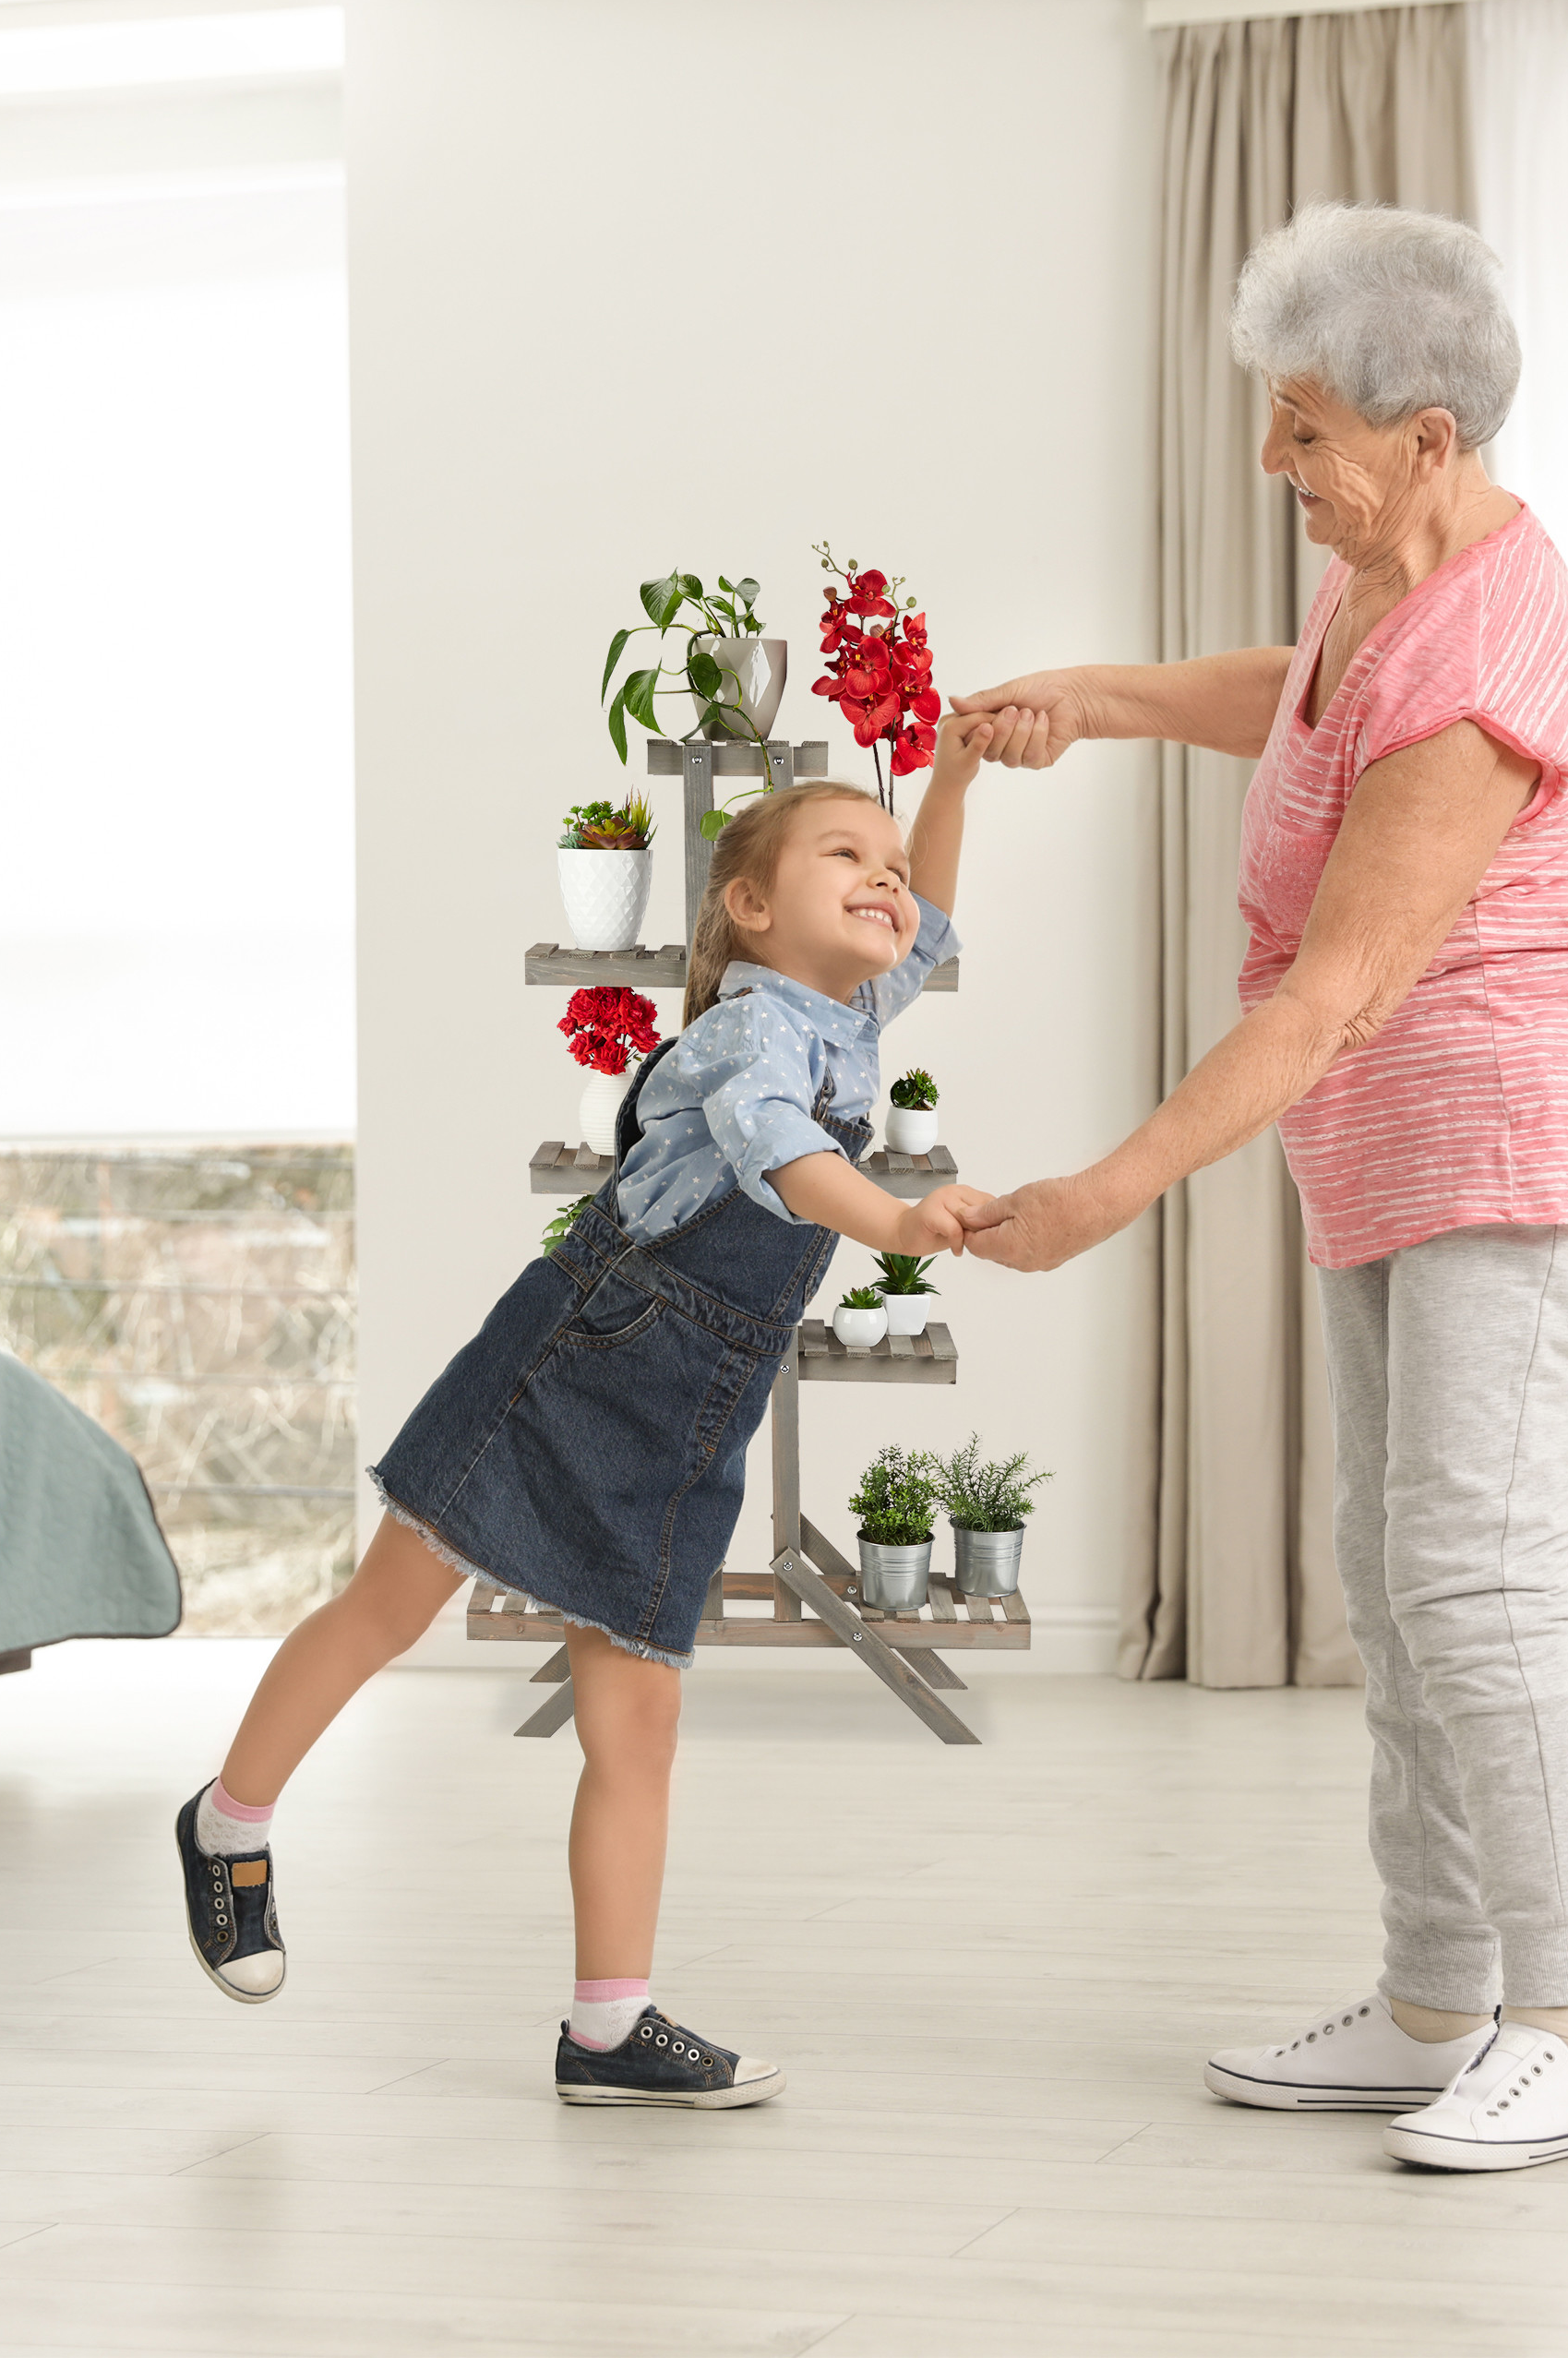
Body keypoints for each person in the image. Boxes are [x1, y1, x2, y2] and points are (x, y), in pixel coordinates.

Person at [953, 203, 1568, 2172]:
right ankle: (1437, 1990)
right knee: (1393, 1569)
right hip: (1394, 1144)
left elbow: (1334, 992)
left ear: (1426, 436)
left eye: (1307, 436)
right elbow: (1292, 691)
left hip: (1507, 1136)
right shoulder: (1393, 589)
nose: (1276, 468)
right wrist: (1097, 697)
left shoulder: (1480, 667)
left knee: (1476, 1572)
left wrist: (1106, 1191)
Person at [174, 717, 1002, 2107]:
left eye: (894, 864)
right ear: (750, 908)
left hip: (688, 1411)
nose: (890, 884)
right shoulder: (748, 1034)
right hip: (581, 1353)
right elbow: (790, 1160)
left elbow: (937, 924)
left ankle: (606, 2031)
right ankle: (228, 1821)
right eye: (846, 856)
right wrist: (901, 1218)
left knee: (640, 1723)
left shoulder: (851, 1015)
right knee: (389, 1605)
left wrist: (959, 780)